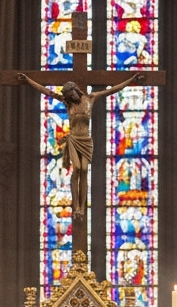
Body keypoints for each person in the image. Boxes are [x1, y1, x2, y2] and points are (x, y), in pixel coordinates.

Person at [17, 72, 140, 225]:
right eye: (69, 95)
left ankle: (81, 206)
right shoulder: (67, 103)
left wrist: (131, 80)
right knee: (77, 169)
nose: (72, 97)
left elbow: (112, 90)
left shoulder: (91, 98)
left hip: (86, 140)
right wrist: (28, 80)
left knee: (84, 170)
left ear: (76, 90)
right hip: (74, 139)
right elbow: (46, 91)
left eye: (72, 93)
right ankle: (76, 206)